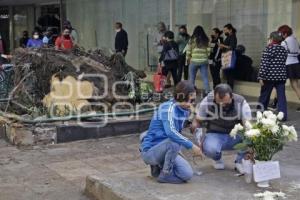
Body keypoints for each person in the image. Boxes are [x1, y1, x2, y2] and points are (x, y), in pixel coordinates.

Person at [140, 81, 203, 184]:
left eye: (193, 100)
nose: (192, 103)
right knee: (174, 141)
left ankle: (158, 168)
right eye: (191, 100)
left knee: (187, 174)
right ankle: (165, 174)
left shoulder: (184, 109)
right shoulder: (167, 108)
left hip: (166, 148)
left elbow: (179, 126)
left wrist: (194, 122)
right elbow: (171, 133)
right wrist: (191, 146)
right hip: (151, 151)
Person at [192, 84, 252, 171]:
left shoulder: (241, 102)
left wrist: (251, 146)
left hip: (236, 135)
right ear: (214, 96)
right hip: (215, 134)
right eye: (219, 102)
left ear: (232, 97)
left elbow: (248, 126)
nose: (222, 105)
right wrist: (197, 134)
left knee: (251, 135)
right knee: (209, 148)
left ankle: (239, 161)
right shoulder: (208, 100)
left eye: (225, 102)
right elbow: (198, 120)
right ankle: (217, 159)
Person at [258, 31, 288, 121]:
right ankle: (283, 115)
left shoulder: (269, 49)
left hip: (269, 77)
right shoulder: (283, 50)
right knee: (281, 97)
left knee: (264, 95)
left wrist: (261, 77)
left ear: (271, 39)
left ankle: (260, 112)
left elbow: (264, 64)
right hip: (281, 77)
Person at [278, 25, 300, 111]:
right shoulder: (295, 39)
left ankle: (275, 102)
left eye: (281, 33)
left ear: (285, 33)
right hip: (296, 63)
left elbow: (281, 53)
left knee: (280, 83)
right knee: (297, 85)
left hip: (288, 63)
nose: (280, 35)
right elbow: (298, 52)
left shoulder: (284, 42)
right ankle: (275, 102)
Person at [186, 26, 210, 95]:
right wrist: (205, 56)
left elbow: (188, 50)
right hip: (204, 61)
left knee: (192, 78)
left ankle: (191, 92)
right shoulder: (206, 39)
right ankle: (207, 92)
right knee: (205, 77)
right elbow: (209, 51)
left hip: (194, 61)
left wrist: (188, 58)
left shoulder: (192, 39)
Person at [219, 24, 237, 90]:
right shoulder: (229, 36)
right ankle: (228, 89)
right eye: (224, 30)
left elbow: (231, 47)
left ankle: (230, 89)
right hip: (226, 57)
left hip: (229, 57)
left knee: (230, 75)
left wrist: (223, 45)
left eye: (225, 30)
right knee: (227, 74)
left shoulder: (232, 37)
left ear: (230, 30)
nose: (224, 32)